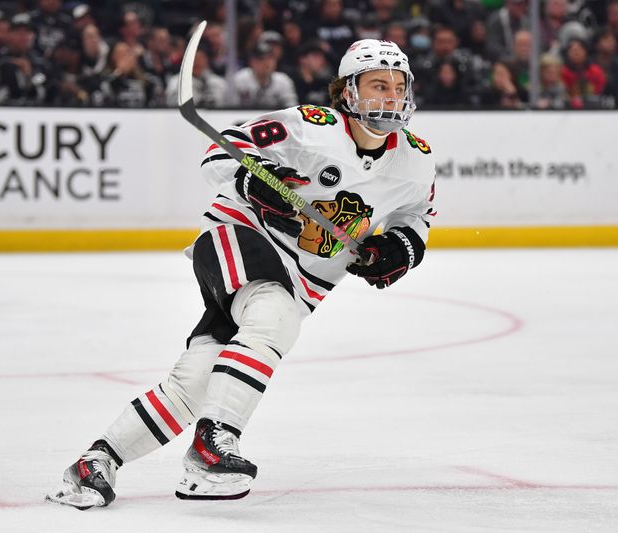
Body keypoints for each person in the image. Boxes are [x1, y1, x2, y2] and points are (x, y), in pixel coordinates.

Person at [48, 38, 435, 508]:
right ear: (347, 91)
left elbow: (417, 217)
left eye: (398, 86)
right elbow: (221, 152)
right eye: (377, 85)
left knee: (197, 380)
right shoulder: (310, 126)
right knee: (275, 315)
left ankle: (95, 463)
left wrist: (399, 250)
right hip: (239, 234)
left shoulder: (416, 159)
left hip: (305, 281)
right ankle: (213, 444)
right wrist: (254, 179)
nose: (389, 97)